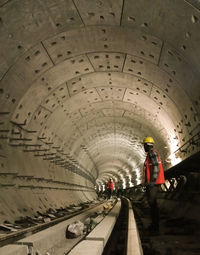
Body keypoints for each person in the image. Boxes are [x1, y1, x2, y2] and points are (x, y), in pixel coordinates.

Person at [142, 136, 165, 234]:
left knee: (153, 204)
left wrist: (152, 182)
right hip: (152, 183)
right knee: (152, 204)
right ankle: (154, 226)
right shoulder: (149, 155)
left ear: (148, 145)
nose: (143, 147)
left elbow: (156, 168)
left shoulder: (152, 153)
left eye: (144, 145)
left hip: (154, 183)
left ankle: (155, 228)